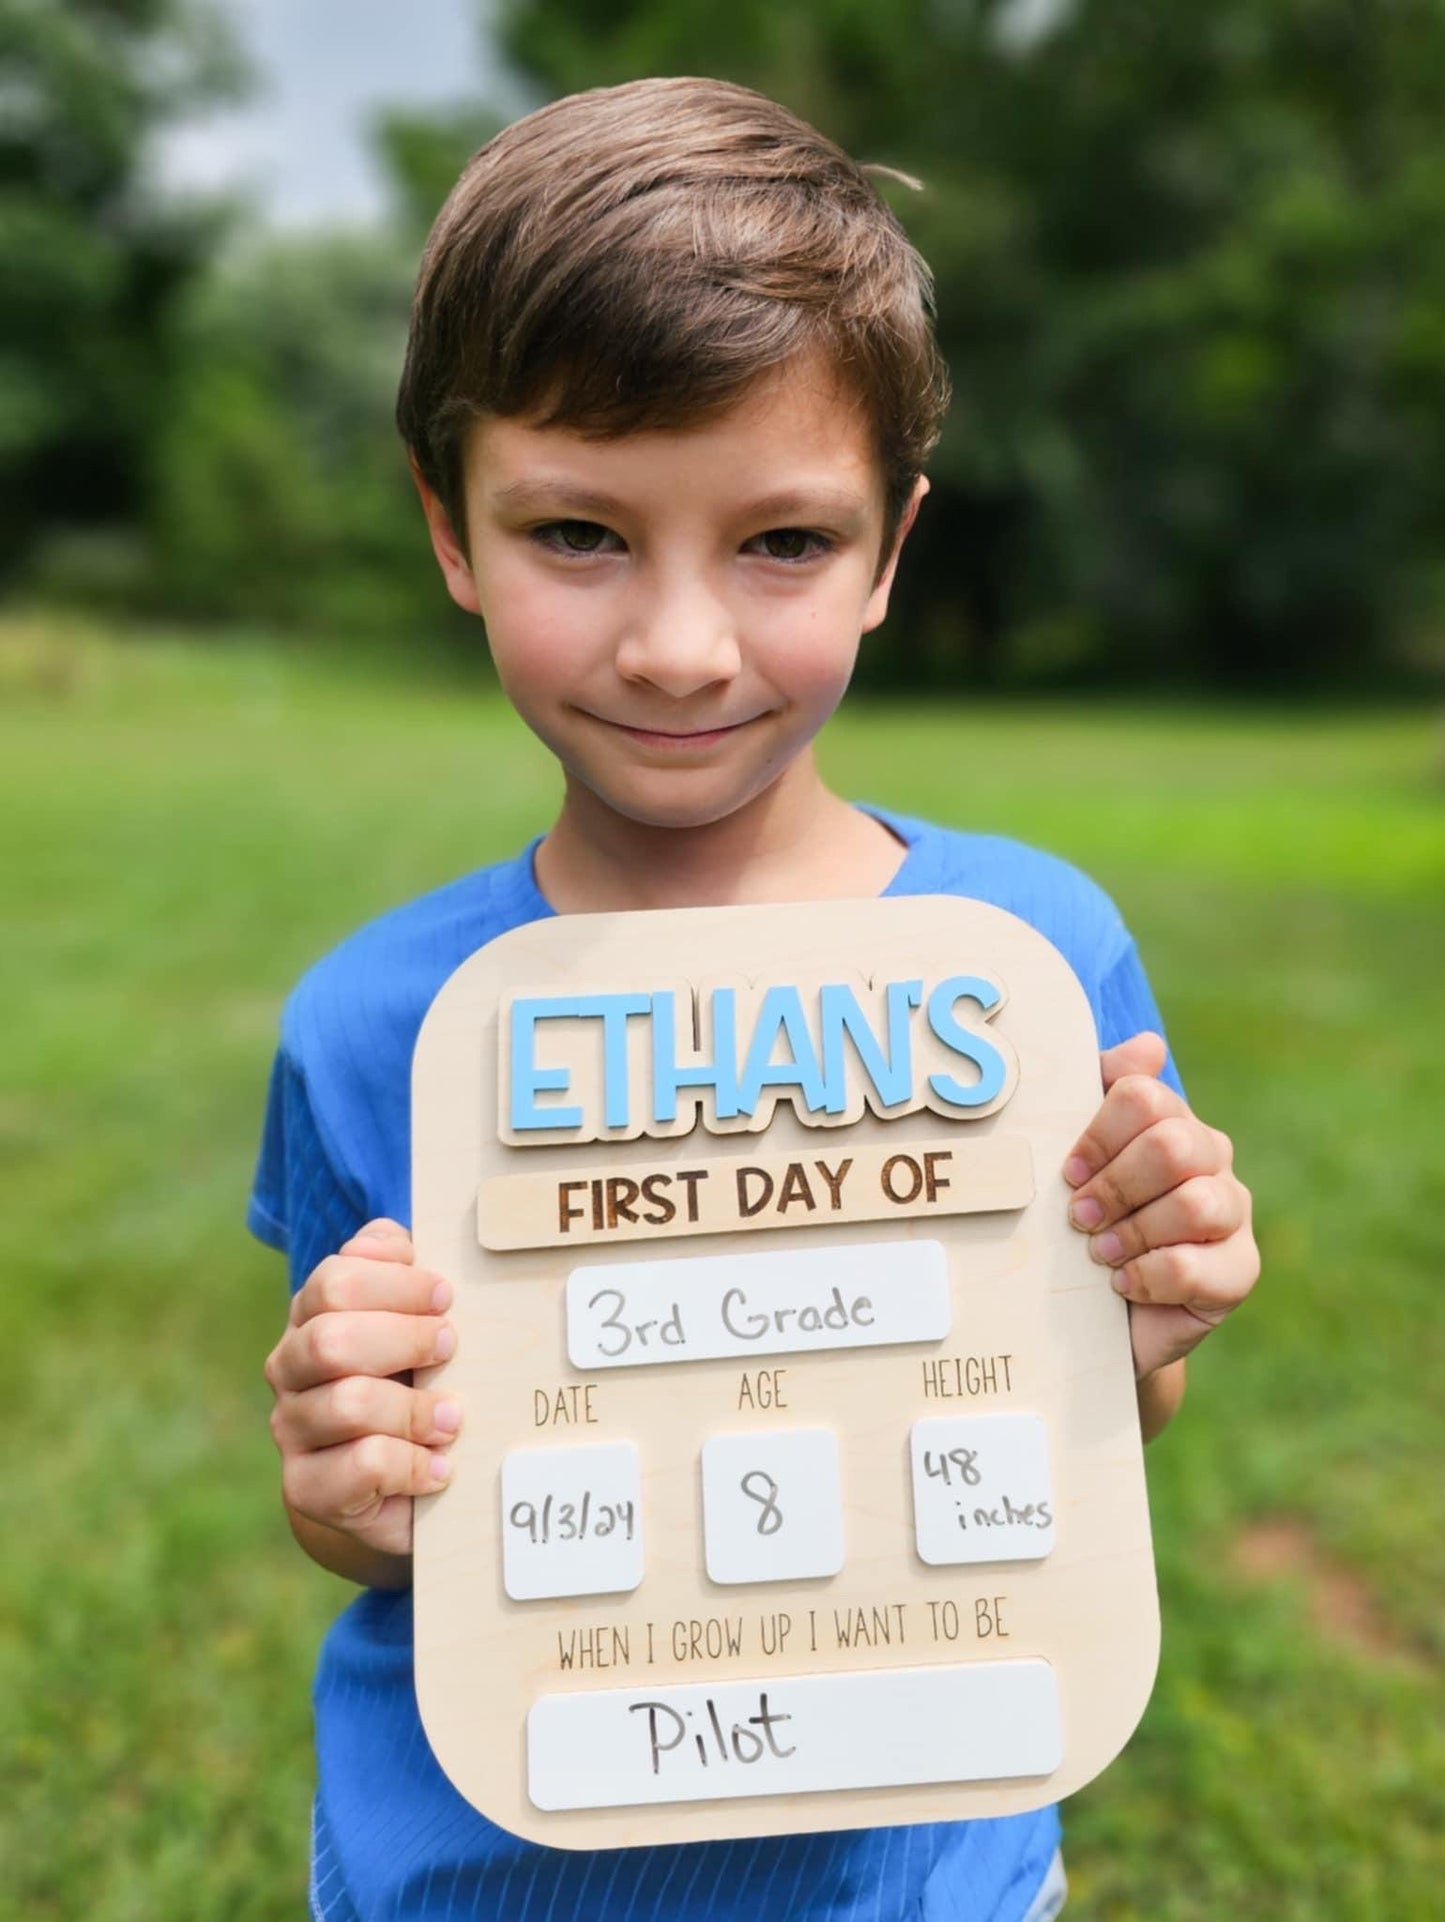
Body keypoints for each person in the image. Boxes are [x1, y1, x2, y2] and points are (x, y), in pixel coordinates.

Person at [254, 76, 1259, 1922]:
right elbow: (367, 1521)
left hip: (920, 1865)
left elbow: (1095, 1403)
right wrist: (341, 1474)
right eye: (578, 533)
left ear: (888, 549)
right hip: (481, 1867)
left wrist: (1153, 1301)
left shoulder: (1028, 959)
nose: (679, 645)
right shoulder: (370, 1024)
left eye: (780, 542)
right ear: (450, 527)